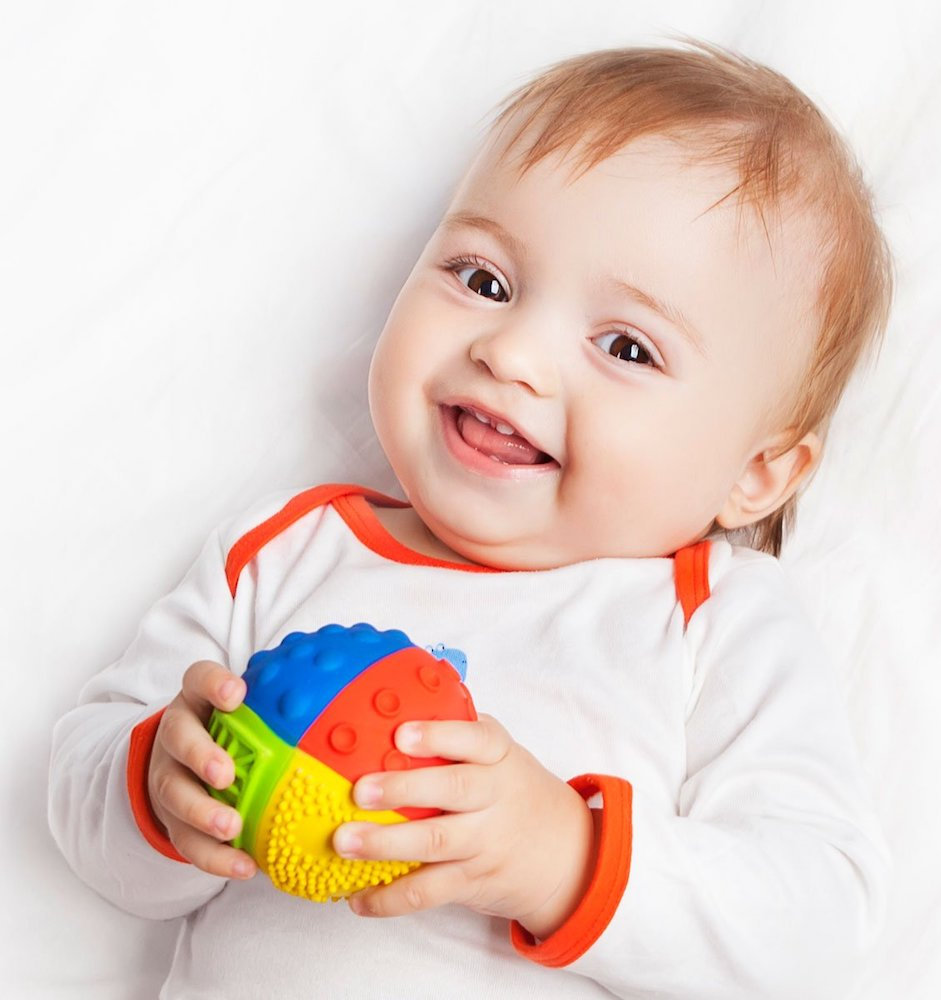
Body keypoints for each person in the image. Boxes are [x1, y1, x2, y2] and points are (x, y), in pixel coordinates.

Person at [48, 39, 893, 999]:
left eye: (626, 346)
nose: (512, 352)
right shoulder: (287, 550)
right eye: (483, 281)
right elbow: (83, 808)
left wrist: (566, 860)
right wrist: (159, 785)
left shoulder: (711, 621)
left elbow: (816, 928)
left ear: (758, 472)